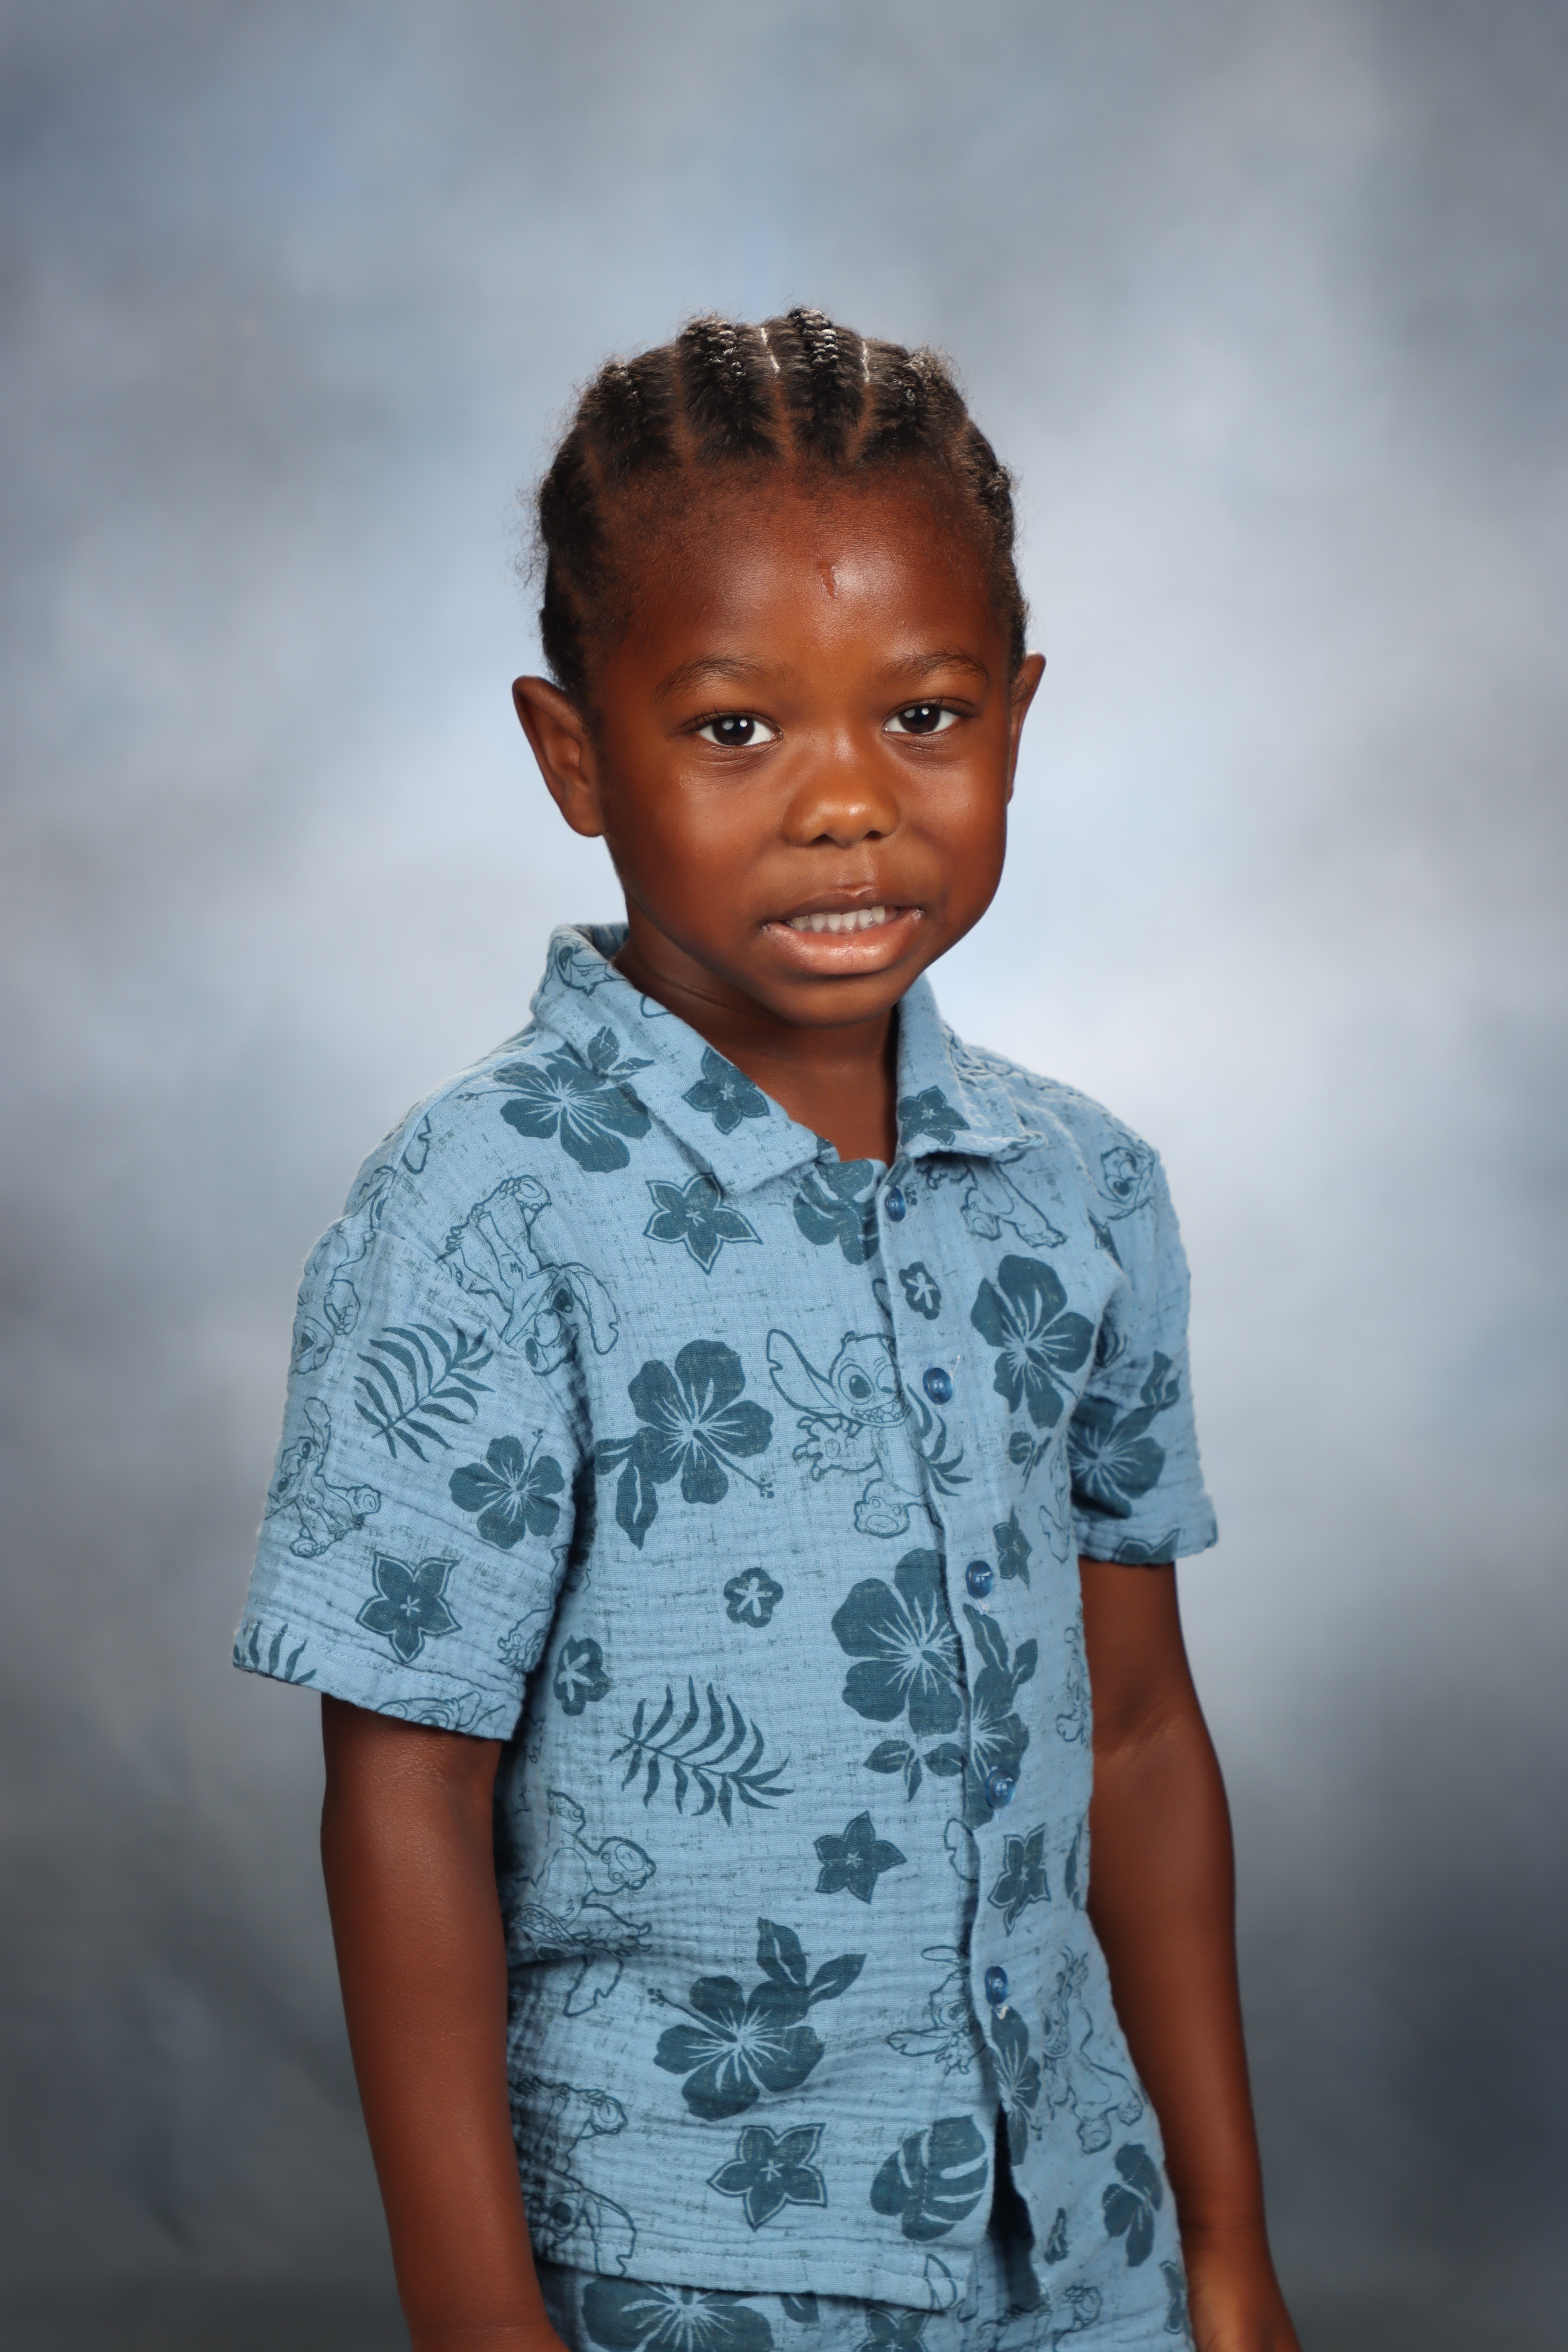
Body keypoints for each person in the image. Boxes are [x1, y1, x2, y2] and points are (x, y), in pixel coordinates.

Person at [237, 310, 1300, 2352]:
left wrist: (1225, 2241)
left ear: (1018, 717)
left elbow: (1142, 1734)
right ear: (575, 757)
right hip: (689, 2270)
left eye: (924, 716)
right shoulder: (485, 1210)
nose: (846, 804)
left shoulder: (1084, 1191)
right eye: (736, 729)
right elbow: (405, 1801)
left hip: (1083, 2254)